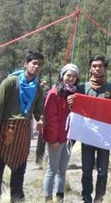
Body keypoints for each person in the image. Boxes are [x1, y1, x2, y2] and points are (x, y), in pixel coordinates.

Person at [0, 51, 45, 202]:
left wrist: (40, 120)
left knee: (20, 169)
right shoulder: (10, 82)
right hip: (7, 129)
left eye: (40, 64)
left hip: (24, 132)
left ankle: (17, 199)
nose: (37, 66)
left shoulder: (38, 88)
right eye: (34, 63)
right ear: (25, 64)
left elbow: (38, 112)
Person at [68, 55, 111, 203]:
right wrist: (71, 102)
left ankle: (99, 198)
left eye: (100, 66)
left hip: (104, 138)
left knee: (103, 171)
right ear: (90, 68)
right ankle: (86, 198)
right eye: (94, 66)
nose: (97, 68)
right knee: (87, 170)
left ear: (105, 69)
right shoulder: (82, 88)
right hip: (87, 137)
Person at [43, 63, 80, 202]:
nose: (71, 78)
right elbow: (51, 119)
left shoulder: (74, 93)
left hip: (69, 138)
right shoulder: (54, 93)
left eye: (74, 76)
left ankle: (60, 198)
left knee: (62, 171)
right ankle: (47, 198)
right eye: (68, 75)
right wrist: (54, 140)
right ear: (62, 76)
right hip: (56, 139)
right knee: (52, 170)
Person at [36, 80, 50, 169]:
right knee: (41, 142)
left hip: (51, 121)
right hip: (44, 120)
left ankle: (44, 160)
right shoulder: (42, 96)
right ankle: (39, 160)